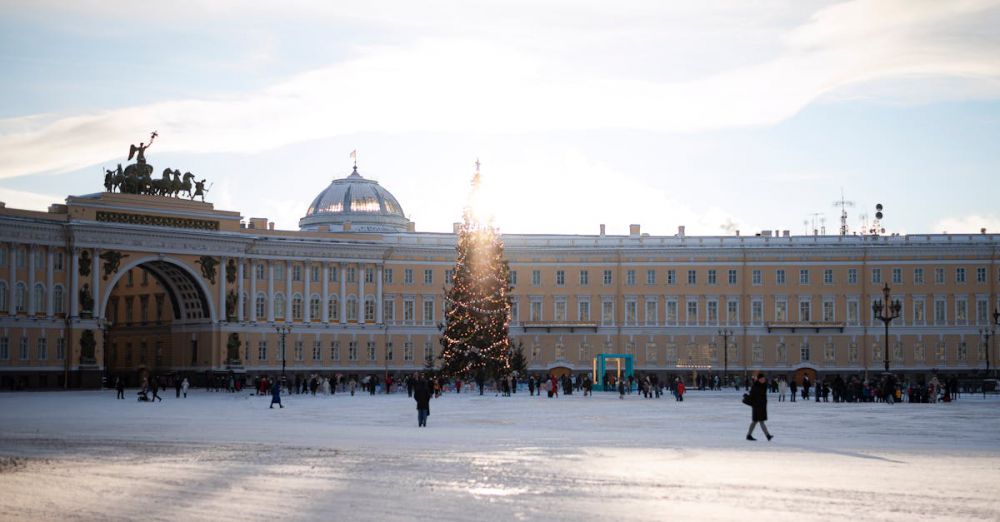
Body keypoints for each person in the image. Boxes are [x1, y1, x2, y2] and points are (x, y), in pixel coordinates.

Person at [746, 373, 773, 441]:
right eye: (762, 379)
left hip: (761, 406)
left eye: (764, 378)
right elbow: (753, 395)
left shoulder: (762, 385)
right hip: (757, 406)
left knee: (755, 422)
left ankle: (749, 435)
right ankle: (768, 436)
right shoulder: (756, 386)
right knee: (760, 421)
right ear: (759, 379)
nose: (763, 379)